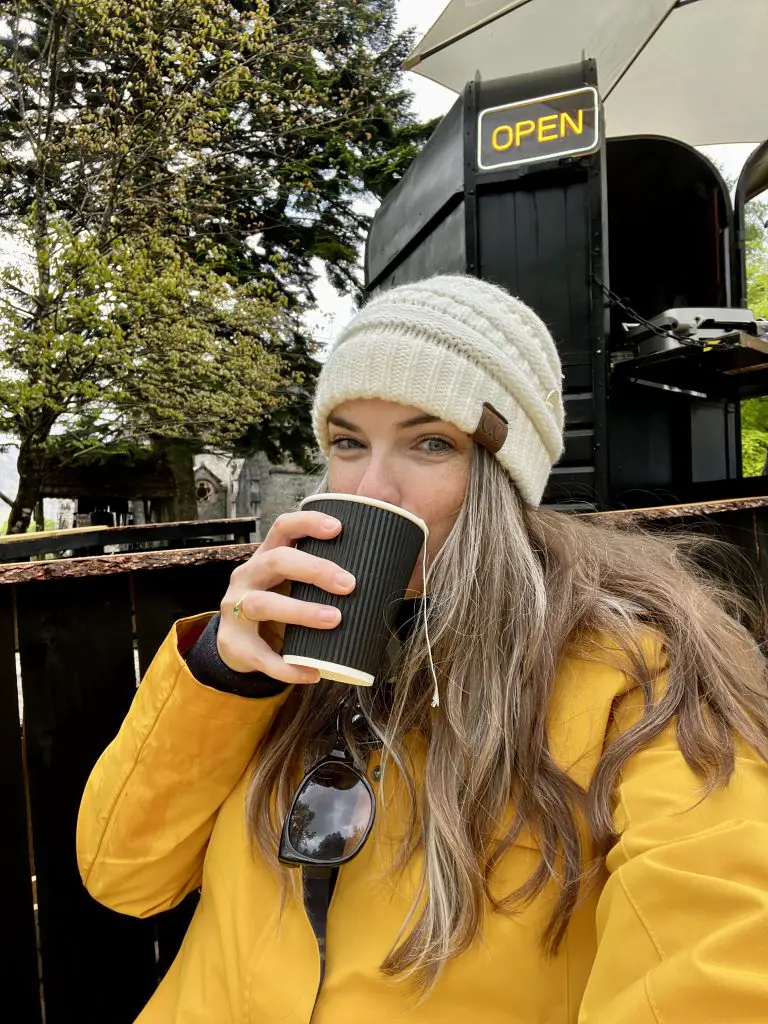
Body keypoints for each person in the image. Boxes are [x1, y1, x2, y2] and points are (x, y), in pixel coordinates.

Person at [77, 275, 768, 1024]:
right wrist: (222, 673)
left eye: (430, 443)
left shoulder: (636, 677)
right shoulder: (277, 653)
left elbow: (715, 950)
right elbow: (125, 879)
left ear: (504, 477)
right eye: (348, 442)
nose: (375, 486)